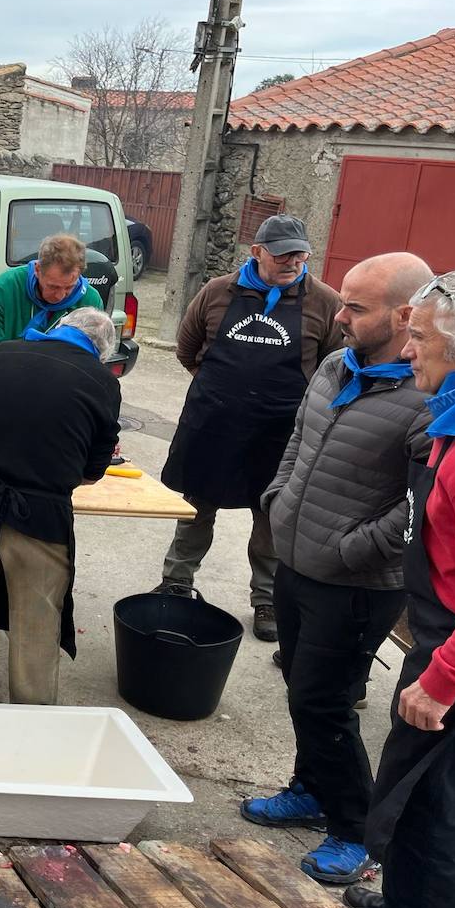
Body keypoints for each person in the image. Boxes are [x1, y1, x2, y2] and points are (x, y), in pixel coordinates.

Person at [241, 253, 434, 884]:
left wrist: (352, 547)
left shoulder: (423, 397)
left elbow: (420, 505)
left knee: (325, 703)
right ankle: (309, 786)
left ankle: (355, 828)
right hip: (297, 562)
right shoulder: (333, 363)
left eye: (356, 306)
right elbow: (299, 437)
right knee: (302, 687)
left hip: (355, 586)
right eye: (343, 300)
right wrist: (279, 498)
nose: (340, 314)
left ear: (405, 316)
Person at [345, 269, 455, 908]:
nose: (405, 351)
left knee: (430, 814)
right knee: (434, 807)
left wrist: (444, 679)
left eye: (419, 337)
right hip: (447, 640)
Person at [155, 215, 344, 641]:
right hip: (214, 425)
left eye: (299, 253)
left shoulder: (324, 301)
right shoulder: (217, 292)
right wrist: (225, 393)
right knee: (196, 508)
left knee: (271, 515)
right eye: (282, 254)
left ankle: (266, 600)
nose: (292, 261)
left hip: (280, 433)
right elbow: (188, 350)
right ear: (256, 252)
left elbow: (333, 366)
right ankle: (177, 580)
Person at [0, 308, 121, 704]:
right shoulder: (102, 381)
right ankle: (31, 724)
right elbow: (93, 471)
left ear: (59, 329)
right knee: (37, 624)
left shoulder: (0, 354)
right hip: (40, 518)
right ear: (99, 350)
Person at [0, 233, 104, 362]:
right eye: (53, 287)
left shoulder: (90, 302)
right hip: (7, 374)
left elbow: (92, 357)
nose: (60, 296)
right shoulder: (4, 288)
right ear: (38, 269)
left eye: (69, 287)